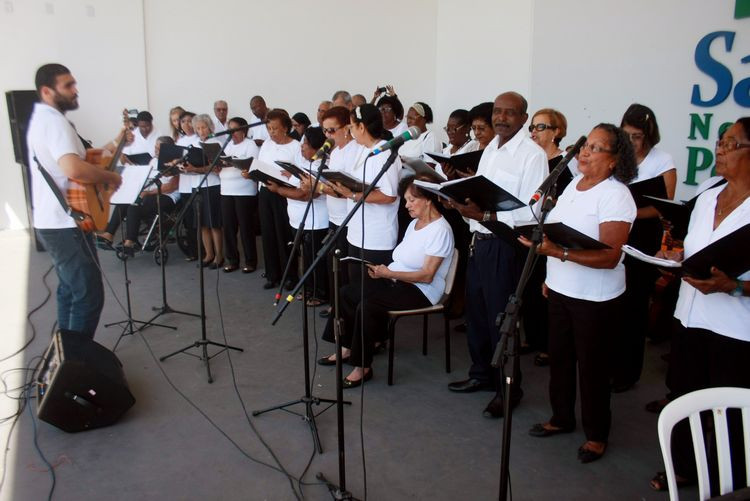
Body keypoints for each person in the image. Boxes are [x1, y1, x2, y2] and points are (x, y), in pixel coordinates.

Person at [524, 123, 637, 464]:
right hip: (561, 289)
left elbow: (610, 256)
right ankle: (561, 417)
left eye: (596, 147)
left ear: (615, 160)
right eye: (585, 145)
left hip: (596, 299)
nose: (585, 151)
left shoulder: (616, 195)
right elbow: (559, 234)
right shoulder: (575, 184)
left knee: (592, 368)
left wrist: (558, 256)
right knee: (559, 359)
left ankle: (597, 434)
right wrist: (551, 275)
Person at [649, 117, 750, 492]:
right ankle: (683, 468)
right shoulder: (708, 195)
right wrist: (672, 257)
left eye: (731, 144)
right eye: (720, 142)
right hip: (690, 315)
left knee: (732, 415)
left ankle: (733, 486)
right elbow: (692, 251)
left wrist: (735, 285)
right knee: (684, 395)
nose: (720, 150)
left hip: (736, 328)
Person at [445, 92, 548, 421]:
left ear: (523, 117)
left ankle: (509, 387)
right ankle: (481, 374)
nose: (501, 118)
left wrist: (486, 215)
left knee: (501, 318)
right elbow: (482, 191)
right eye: (497, 112)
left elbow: (530, 213)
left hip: (505, 243)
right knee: (476, 312)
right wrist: (461, 203)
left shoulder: (532, 156)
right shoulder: (490, 148)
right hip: (480, 239)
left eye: (510, 113)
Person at [318, 176, 454, 387]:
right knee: (347, 292)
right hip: (397, 280)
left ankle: (362, 366)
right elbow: (403, 260)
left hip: (421, 290)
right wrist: (385, 272)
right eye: (406, 200)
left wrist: (388, 274)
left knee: (368, 306)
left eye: (411, 200)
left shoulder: (441, 230)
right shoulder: (415, 224)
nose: (406, 205)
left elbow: (427, 275)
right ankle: (347, 348)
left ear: (428, 200)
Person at [27, 63, 122, 339]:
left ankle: (67, 355)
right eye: (68, 85)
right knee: (88, 296)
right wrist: (110, 177)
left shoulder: (42, 119)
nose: (75, 90)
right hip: (64, 223)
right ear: (47, 91)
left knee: (69, 291)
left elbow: (77, 161)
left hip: (57, 221)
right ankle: (77, 366)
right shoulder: (54, 122)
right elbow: (74, 169)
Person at [612, 104, 677, 393]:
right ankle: (609, 362)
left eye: (636, 137)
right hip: (614, 233)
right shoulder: (617, 158)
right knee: (612, 302)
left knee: (635, 304)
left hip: (642, 236)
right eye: (626, 135)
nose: (631, 142)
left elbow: (665, 206)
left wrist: (626, 211)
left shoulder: (663, 161)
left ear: (649, 136)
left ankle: (627, 371)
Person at [327, 104, 401, 285]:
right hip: (356, 230)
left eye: (352, 127)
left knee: (371, 290)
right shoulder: (362, 149)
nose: (350, 131)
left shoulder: (385, 153)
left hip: (376, 236)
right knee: (355, 285)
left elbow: (388, 196)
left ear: (362, 127)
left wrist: (352, 195)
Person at [524, 108, 570, 367]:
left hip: (551, 235)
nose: (534, 132)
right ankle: (533, 337)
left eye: (540, 127)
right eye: (532, 127)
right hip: (529, 230)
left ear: (557, 132)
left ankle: (547, 344)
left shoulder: (562, 166)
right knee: (529, 288)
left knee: (544, 289)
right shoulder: (532, 160)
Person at [266, 127, 330, 304]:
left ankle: (320, 293)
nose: (302, 147)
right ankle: (309, 288)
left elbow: (306, 195)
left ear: (317, 148)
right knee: (306, 258)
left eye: (306, 144)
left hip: (315, 222)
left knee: (315, 260)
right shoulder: (304, 164)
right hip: (299, 221)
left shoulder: (321, 167)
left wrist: (279, 189)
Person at [318, 106, 363, 311]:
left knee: (344, 268)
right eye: (325, 131)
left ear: (346, 128)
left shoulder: (355, 151)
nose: (328, 135)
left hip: (347, 219)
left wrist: (319, 187)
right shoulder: (335, 152)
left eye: (332, 130)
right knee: (332, 265)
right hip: (334, 216)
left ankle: (343, 309)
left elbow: (344, 190)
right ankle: (335, 304)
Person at [256, 109, 300, 289]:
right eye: (269, 128)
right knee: (268, 233)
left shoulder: (295, 146)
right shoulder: (266, 144)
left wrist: (287, 178)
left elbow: (299, 173)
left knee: (283, 235)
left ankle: (290, 275)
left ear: (286, 128)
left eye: (275, 128)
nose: (271, 132)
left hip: (283, 193)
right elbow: (261, 165)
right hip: (266, 191)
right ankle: (272, 273)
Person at [118, 136, 181, 252]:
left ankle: (129, 241)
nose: (156, 150)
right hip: (151, 193)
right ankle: (115, 236)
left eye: (159, 148)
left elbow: (172, 187)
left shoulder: (174, 162)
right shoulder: (153, 161)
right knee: (126, 203)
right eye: (155, 147)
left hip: (168, 196)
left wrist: (148, 192)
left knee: (137, 205)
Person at [180, 113, 224, 268]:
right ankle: (208, 254)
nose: (201, 131)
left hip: (211, 186)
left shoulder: (215, 143)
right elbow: (189, 165)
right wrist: (185, 167)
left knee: (213, 223)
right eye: (198, 128)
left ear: (210, 127)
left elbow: (215, 168)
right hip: (196, 185)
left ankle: (219, 255)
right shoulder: (194, 144)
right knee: (202, 224)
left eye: (203, 127)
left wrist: (196, 168)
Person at [220, 117, 260, 273]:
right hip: (226, 190)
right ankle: (232, 259)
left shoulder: (250, 145)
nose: (232, 133)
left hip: (244, 191)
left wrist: (231, 163)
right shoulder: (226, 145)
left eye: (235, 130)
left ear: (243, 131)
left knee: (245, 227)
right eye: (229, 130)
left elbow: (251, 164)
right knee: (228, 227)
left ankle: (250, 260)